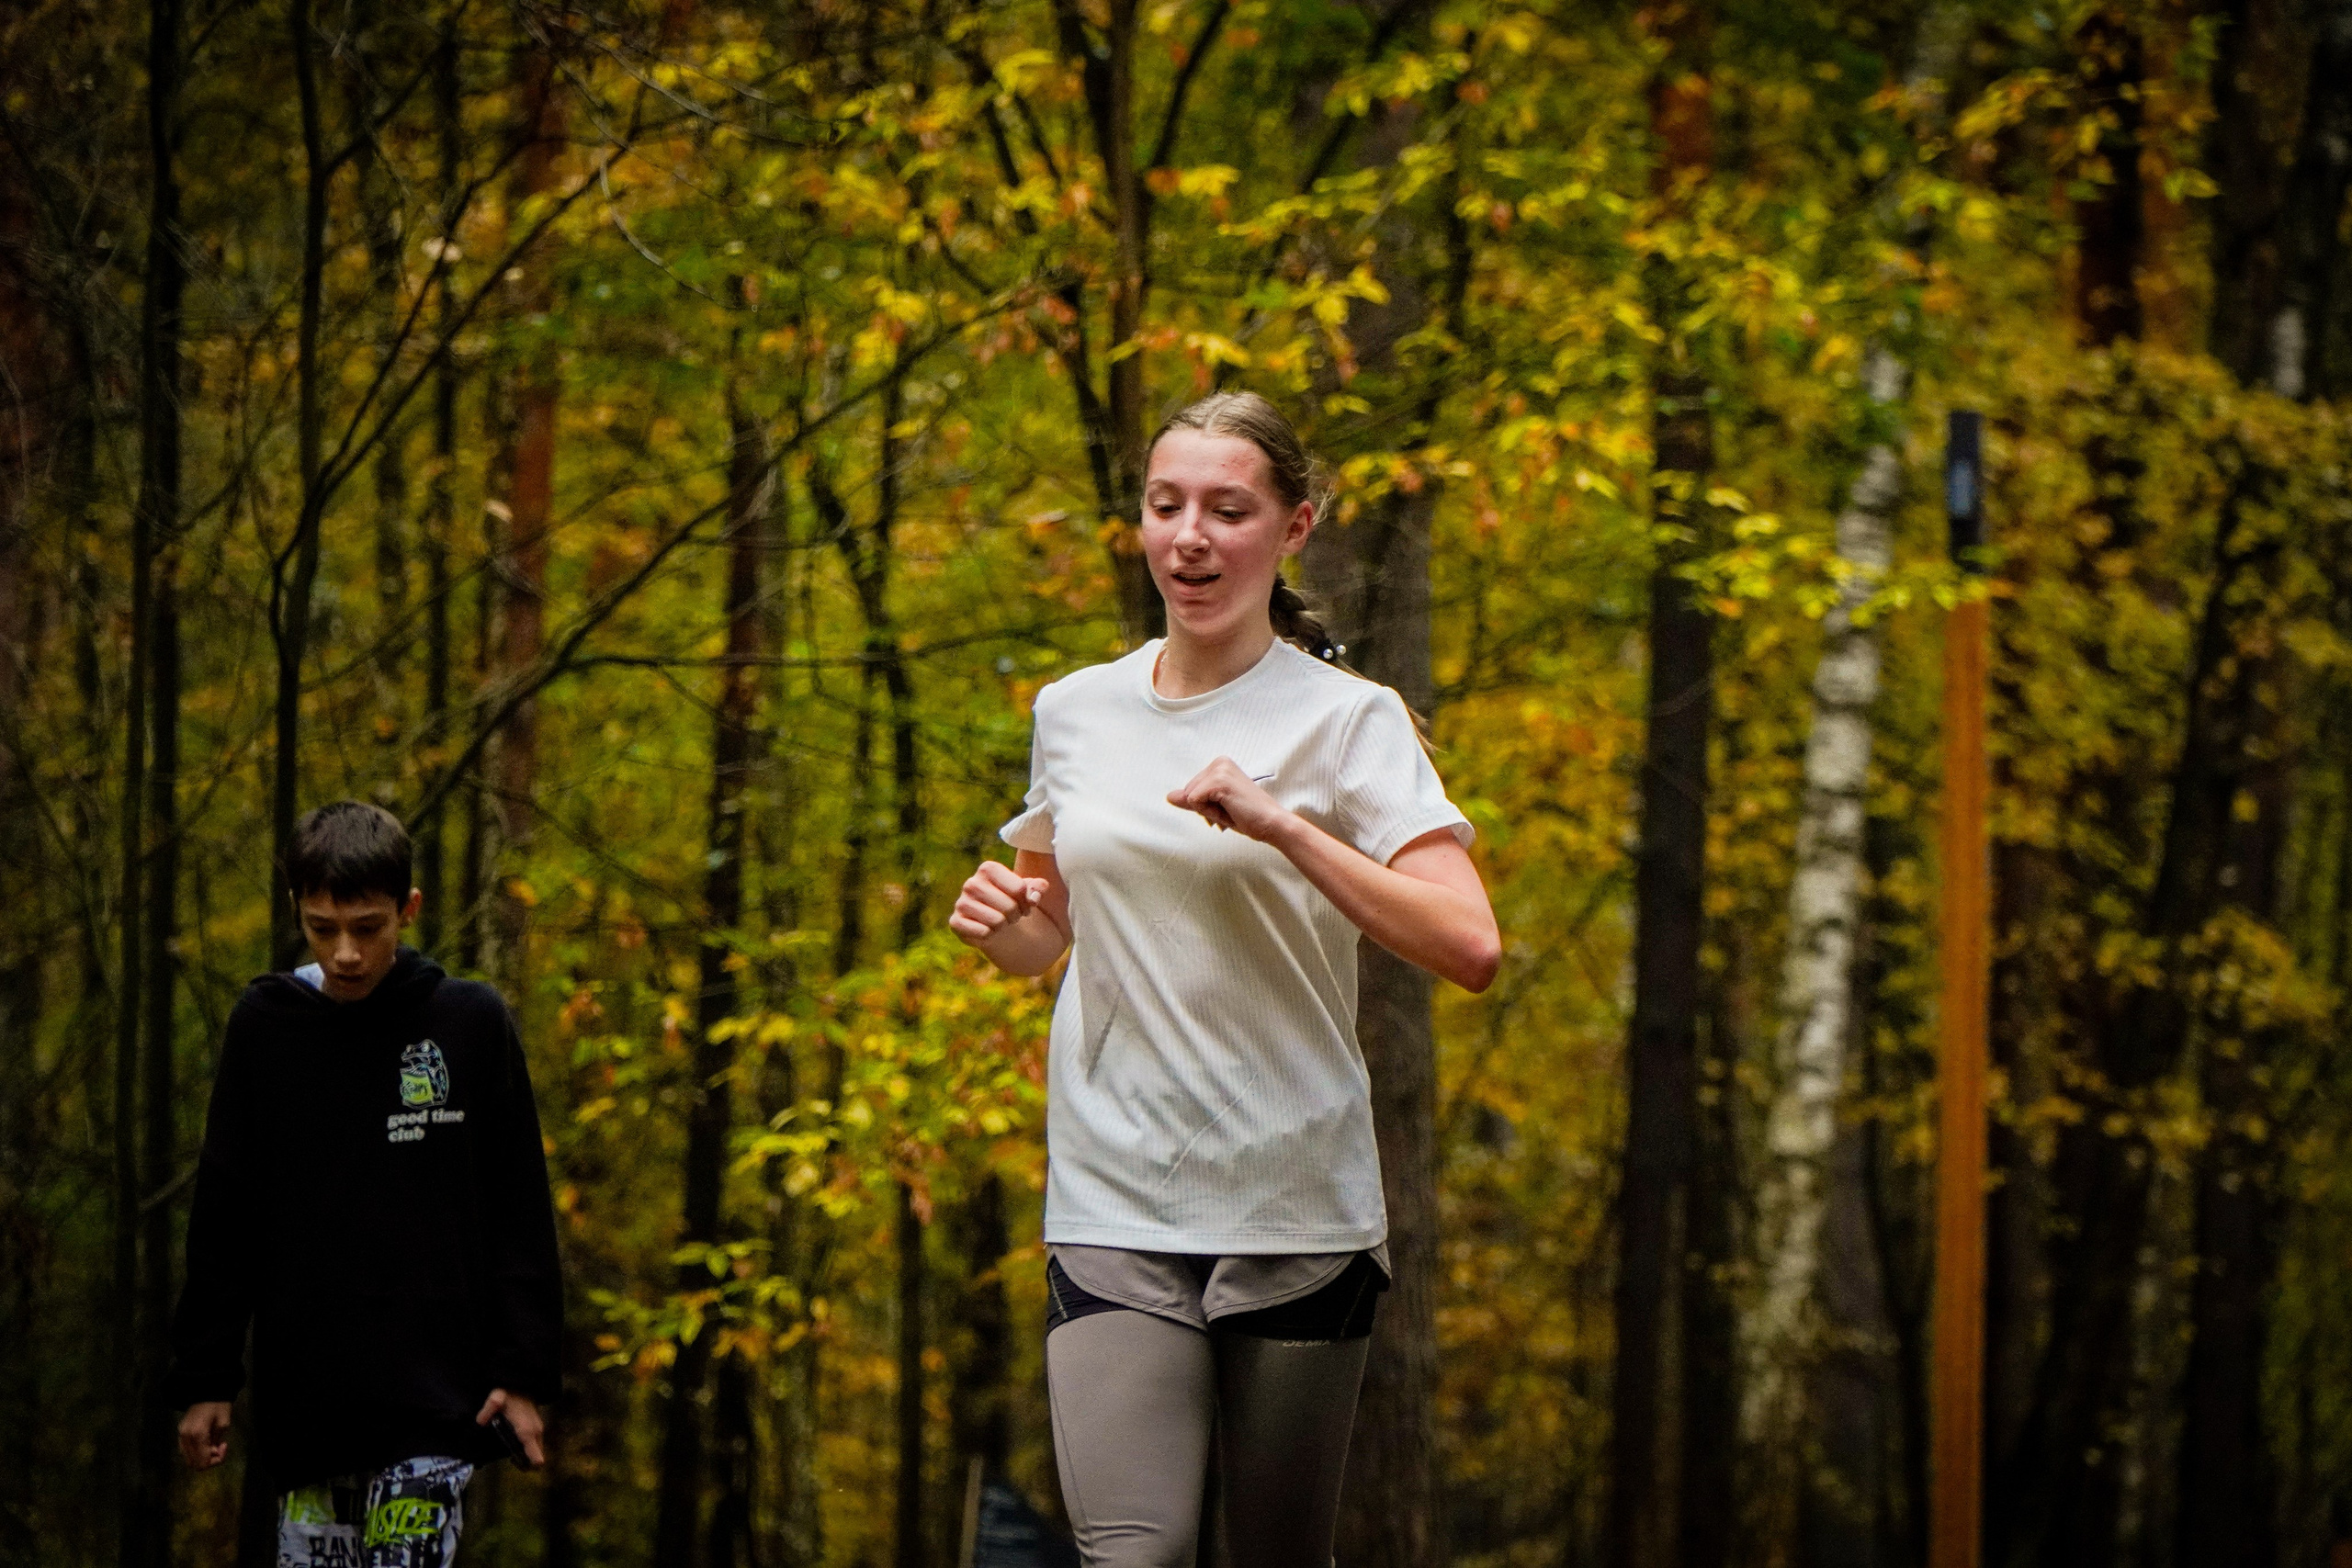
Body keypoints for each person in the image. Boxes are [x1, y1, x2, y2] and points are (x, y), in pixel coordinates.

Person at [948, 391, 1500, 1567]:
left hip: (1293, 1201)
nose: (1190, 535)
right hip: (1115, 1198)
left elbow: (1470, 947)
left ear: (1293, 528)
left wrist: (1286, 827)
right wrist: (1009, 929)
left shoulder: (1350, 723)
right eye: (1165, 506)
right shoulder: (1074, 710)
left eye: (1227, 509)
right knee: (1131, 1558)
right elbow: (1050, 930)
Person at [165, 801, 563, 1568]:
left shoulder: (469, 1022)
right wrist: (207, 1376)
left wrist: (521, 1372)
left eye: (368, 927)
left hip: (436, 1405)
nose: (346, 952)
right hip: (309, 1408)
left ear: (407, 909)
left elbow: (519, 1207)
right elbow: (226, 1213)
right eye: (322, 928)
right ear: (297, 912)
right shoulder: (266, 1026)